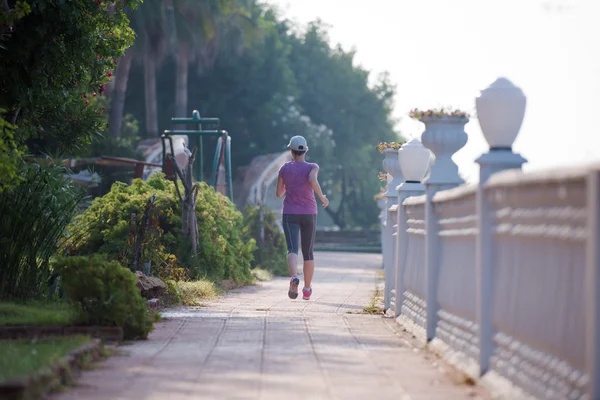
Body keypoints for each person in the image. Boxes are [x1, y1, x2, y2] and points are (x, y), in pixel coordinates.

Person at [276, 135, 329, 300]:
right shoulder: (313, 166)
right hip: (309, 213)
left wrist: (291, 185)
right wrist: (322, 197)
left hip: (290, 213)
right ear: (306, 150)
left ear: (291, 151)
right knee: (308, 252)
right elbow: (312, 179)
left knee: (292, 248)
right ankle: (307, 290)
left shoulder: (284, 169)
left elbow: (278, 193)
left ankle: (293, 277)